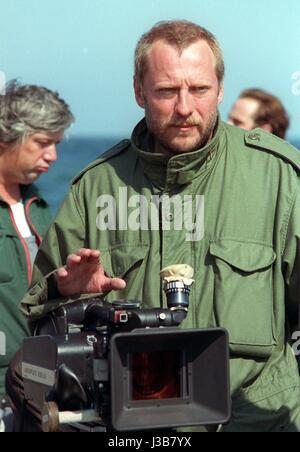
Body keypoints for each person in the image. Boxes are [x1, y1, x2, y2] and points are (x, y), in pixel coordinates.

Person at [6, 20, 300, 432]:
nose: (184, 108)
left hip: (257, 422)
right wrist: (65, 296)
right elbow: (42, 332)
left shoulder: (281, 179)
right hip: (134, 432)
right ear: (139, 92)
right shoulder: (95, 188)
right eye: (166, 91)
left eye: (198, 90)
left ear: (219, 89)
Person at [0, 81, 74, 398]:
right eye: (43, 142)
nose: (53, 156)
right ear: (6, 136)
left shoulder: (38, 205)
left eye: (56, 144)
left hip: (40, 380)